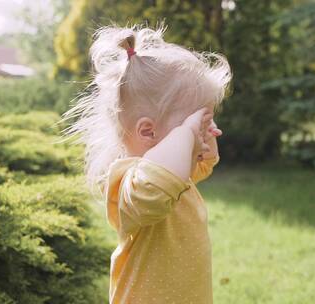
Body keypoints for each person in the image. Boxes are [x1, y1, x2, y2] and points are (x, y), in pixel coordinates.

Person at [61, 22, 232, 304]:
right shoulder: (135, 180)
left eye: (207, 119)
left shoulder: (177, 175)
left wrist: (200, 133)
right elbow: (157, 185)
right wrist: (188, 133)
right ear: (148, 132)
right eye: (194, 122)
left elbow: (205, 162)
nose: (205, 128)